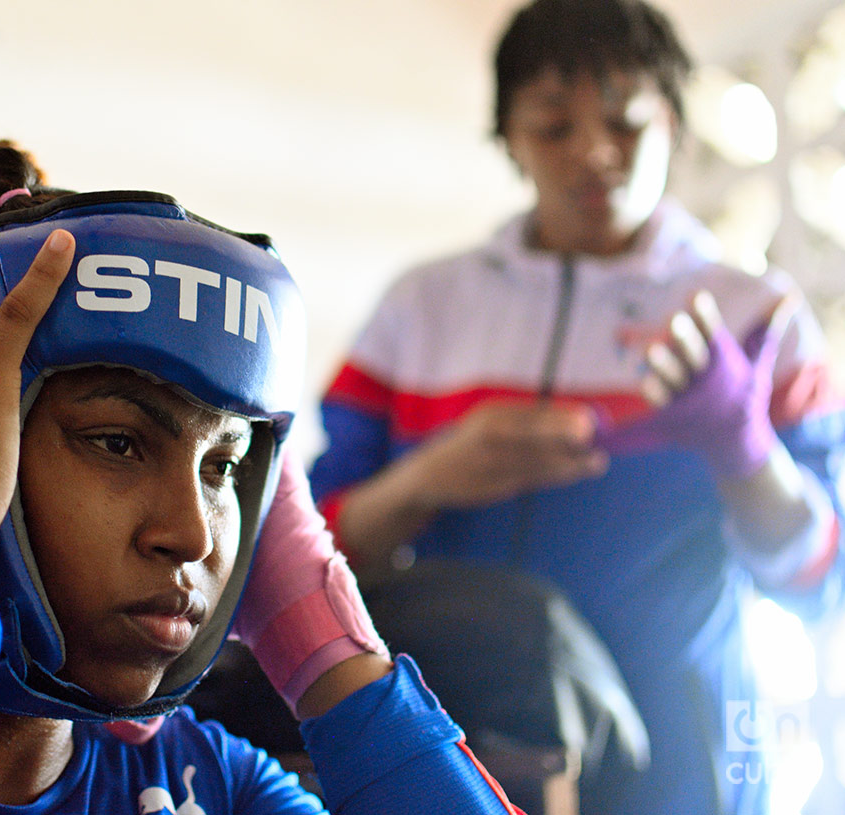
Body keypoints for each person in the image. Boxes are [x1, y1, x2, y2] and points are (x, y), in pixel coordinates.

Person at [0, 139, 525, 814]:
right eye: (117, 443)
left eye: (223, 467)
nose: (195, 530)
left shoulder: (211, 784)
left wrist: (327, 641)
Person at [309, 1, 845, 813]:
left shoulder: (756, 316)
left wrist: (743, 449)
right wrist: (429, 479)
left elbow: (820, 576)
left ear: (673, 122)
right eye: (554, 127)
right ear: (509, 138)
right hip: (460, 737)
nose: (595, 154)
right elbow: (313, 556)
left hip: (693, 742)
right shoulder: (420, 311)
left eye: (627, 123)